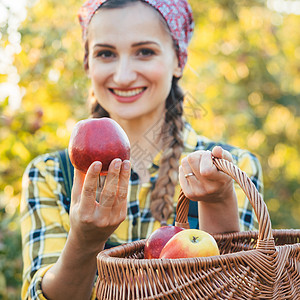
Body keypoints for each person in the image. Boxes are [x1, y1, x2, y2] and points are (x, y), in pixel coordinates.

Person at [20, 0, 263, 299]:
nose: (123, 76)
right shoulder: (51, 175)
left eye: (144, 52)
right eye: (106, 53)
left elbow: (239, 288)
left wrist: (218, 201)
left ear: (179, 60)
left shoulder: (232, 168)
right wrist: (84, 242)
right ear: (88, 63)